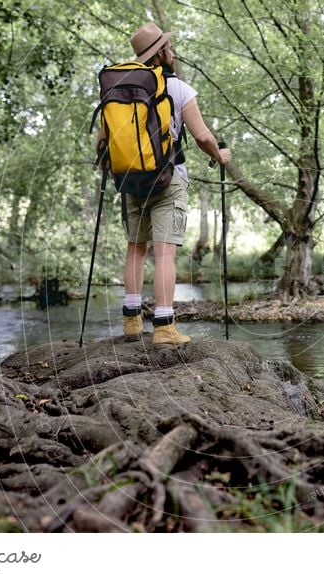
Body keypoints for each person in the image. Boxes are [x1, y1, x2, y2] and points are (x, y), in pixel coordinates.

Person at [99, 22, 230, 345]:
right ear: (160, 54)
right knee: (166, 252)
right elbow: (201, 135)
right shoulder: (180, 89)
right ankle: (164, 326)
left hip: (130, 179)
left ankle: (131, 322)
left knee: (135, 247)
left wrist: (113, 169)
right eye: (168, 48)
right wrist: (220, 155)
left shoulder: (119, 92)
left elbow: (102, 142)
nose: (172, 53)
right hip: (169, 180)